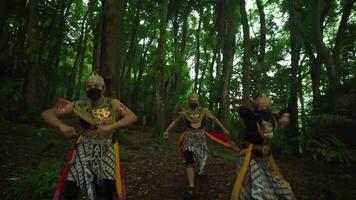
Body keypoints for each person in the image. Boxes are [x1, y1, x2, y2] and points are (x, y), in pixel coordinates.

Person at [42, 72, 137, 200]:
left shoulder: (113, 103)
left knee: (105, 189)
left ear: (103, 88)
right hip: (84, 148)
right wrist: (61, 125)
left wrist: (112, 126)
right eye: (88, 86)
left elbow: (132, 116)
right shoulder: (78, 105)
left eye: (96, 86)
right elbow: (47, 114)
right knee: (71, 187)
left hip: (107, 149)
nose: (92, 88)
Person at [163, 92, 238, 199]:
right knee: (189, 161)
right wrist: (167, 130)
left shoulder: (205, 111)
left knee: (201, 161)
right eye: (191, 100)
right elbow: (175, 122)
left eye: (195, 99)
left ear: (198, 101)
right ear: (189, 101)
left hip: (201, 141)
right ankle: (191, 187)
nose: (193, 101)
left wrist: (224, 129)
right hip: (189, 140)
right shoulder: (185, 114)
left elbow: (214, 119)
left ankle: (199, 171)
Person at [231, 94, 295, 200]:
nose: (264, 110)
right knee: (255, 181)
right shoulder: (252, 119)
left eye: (266, 107)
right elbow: (242, 110)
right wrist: (260, 121)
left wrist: (286, 114)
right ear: (256, 108)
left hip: (265, 159)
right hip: (250, 158)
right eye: (261, 107)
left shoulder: (272, 118)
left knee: (274, 180)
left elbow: (288, 110)